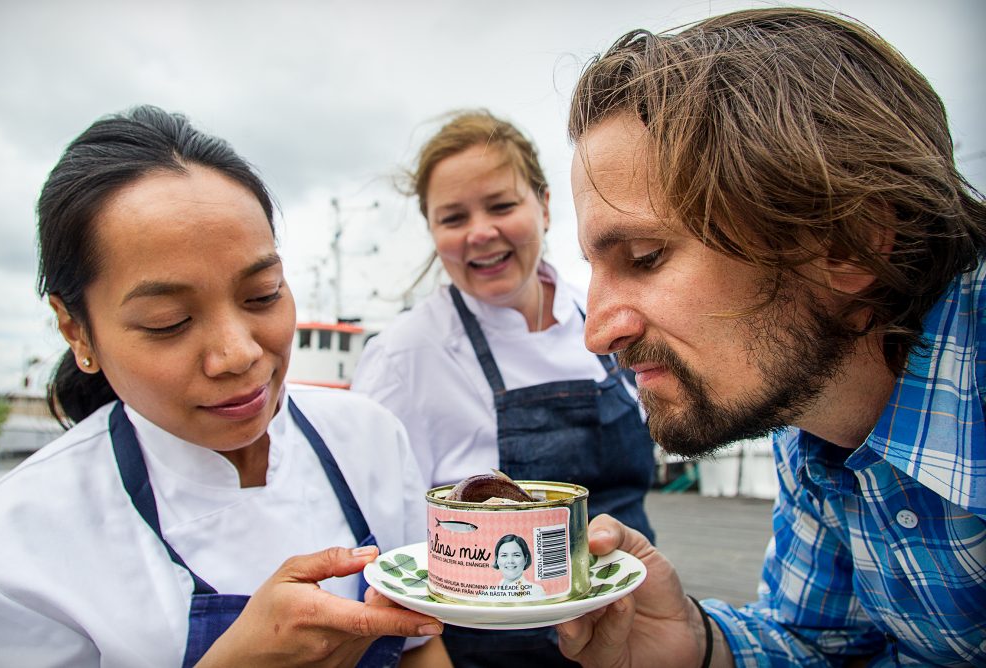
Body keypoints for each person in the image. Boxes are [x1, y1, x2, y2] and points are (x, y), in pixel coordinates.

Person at [556, 7, 985, 668]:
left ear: (848, 241)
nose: (597, 332)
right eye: (594, 269)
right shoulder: (815, 426)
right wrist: (698, 646)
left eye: (645, 257)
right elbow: (827, 646)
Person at [0, 105, 451, 668]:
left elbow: (421, 646)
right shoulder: (5, 551)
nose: (239, 353)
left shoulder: (368, 437)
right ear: (77, 330)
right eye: (169, 321)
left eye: (262, 294)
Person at [350, 108, 657, 667]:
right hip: (492, 653)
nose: (480, 232)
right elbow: (382, 540)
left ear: (542, 205)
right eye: (452, 217)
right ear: (431, 230)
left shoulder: (606, 317)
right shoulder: (403, 358)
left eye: (500, 205)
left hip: (636, 627)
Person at [482, 535, 546, 601]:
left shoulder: (536, 592)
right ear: (497, 559)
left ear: (525, 559)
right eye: (504, 555)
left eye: (516, 555)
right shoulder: (485, 595)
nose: (510, 561)